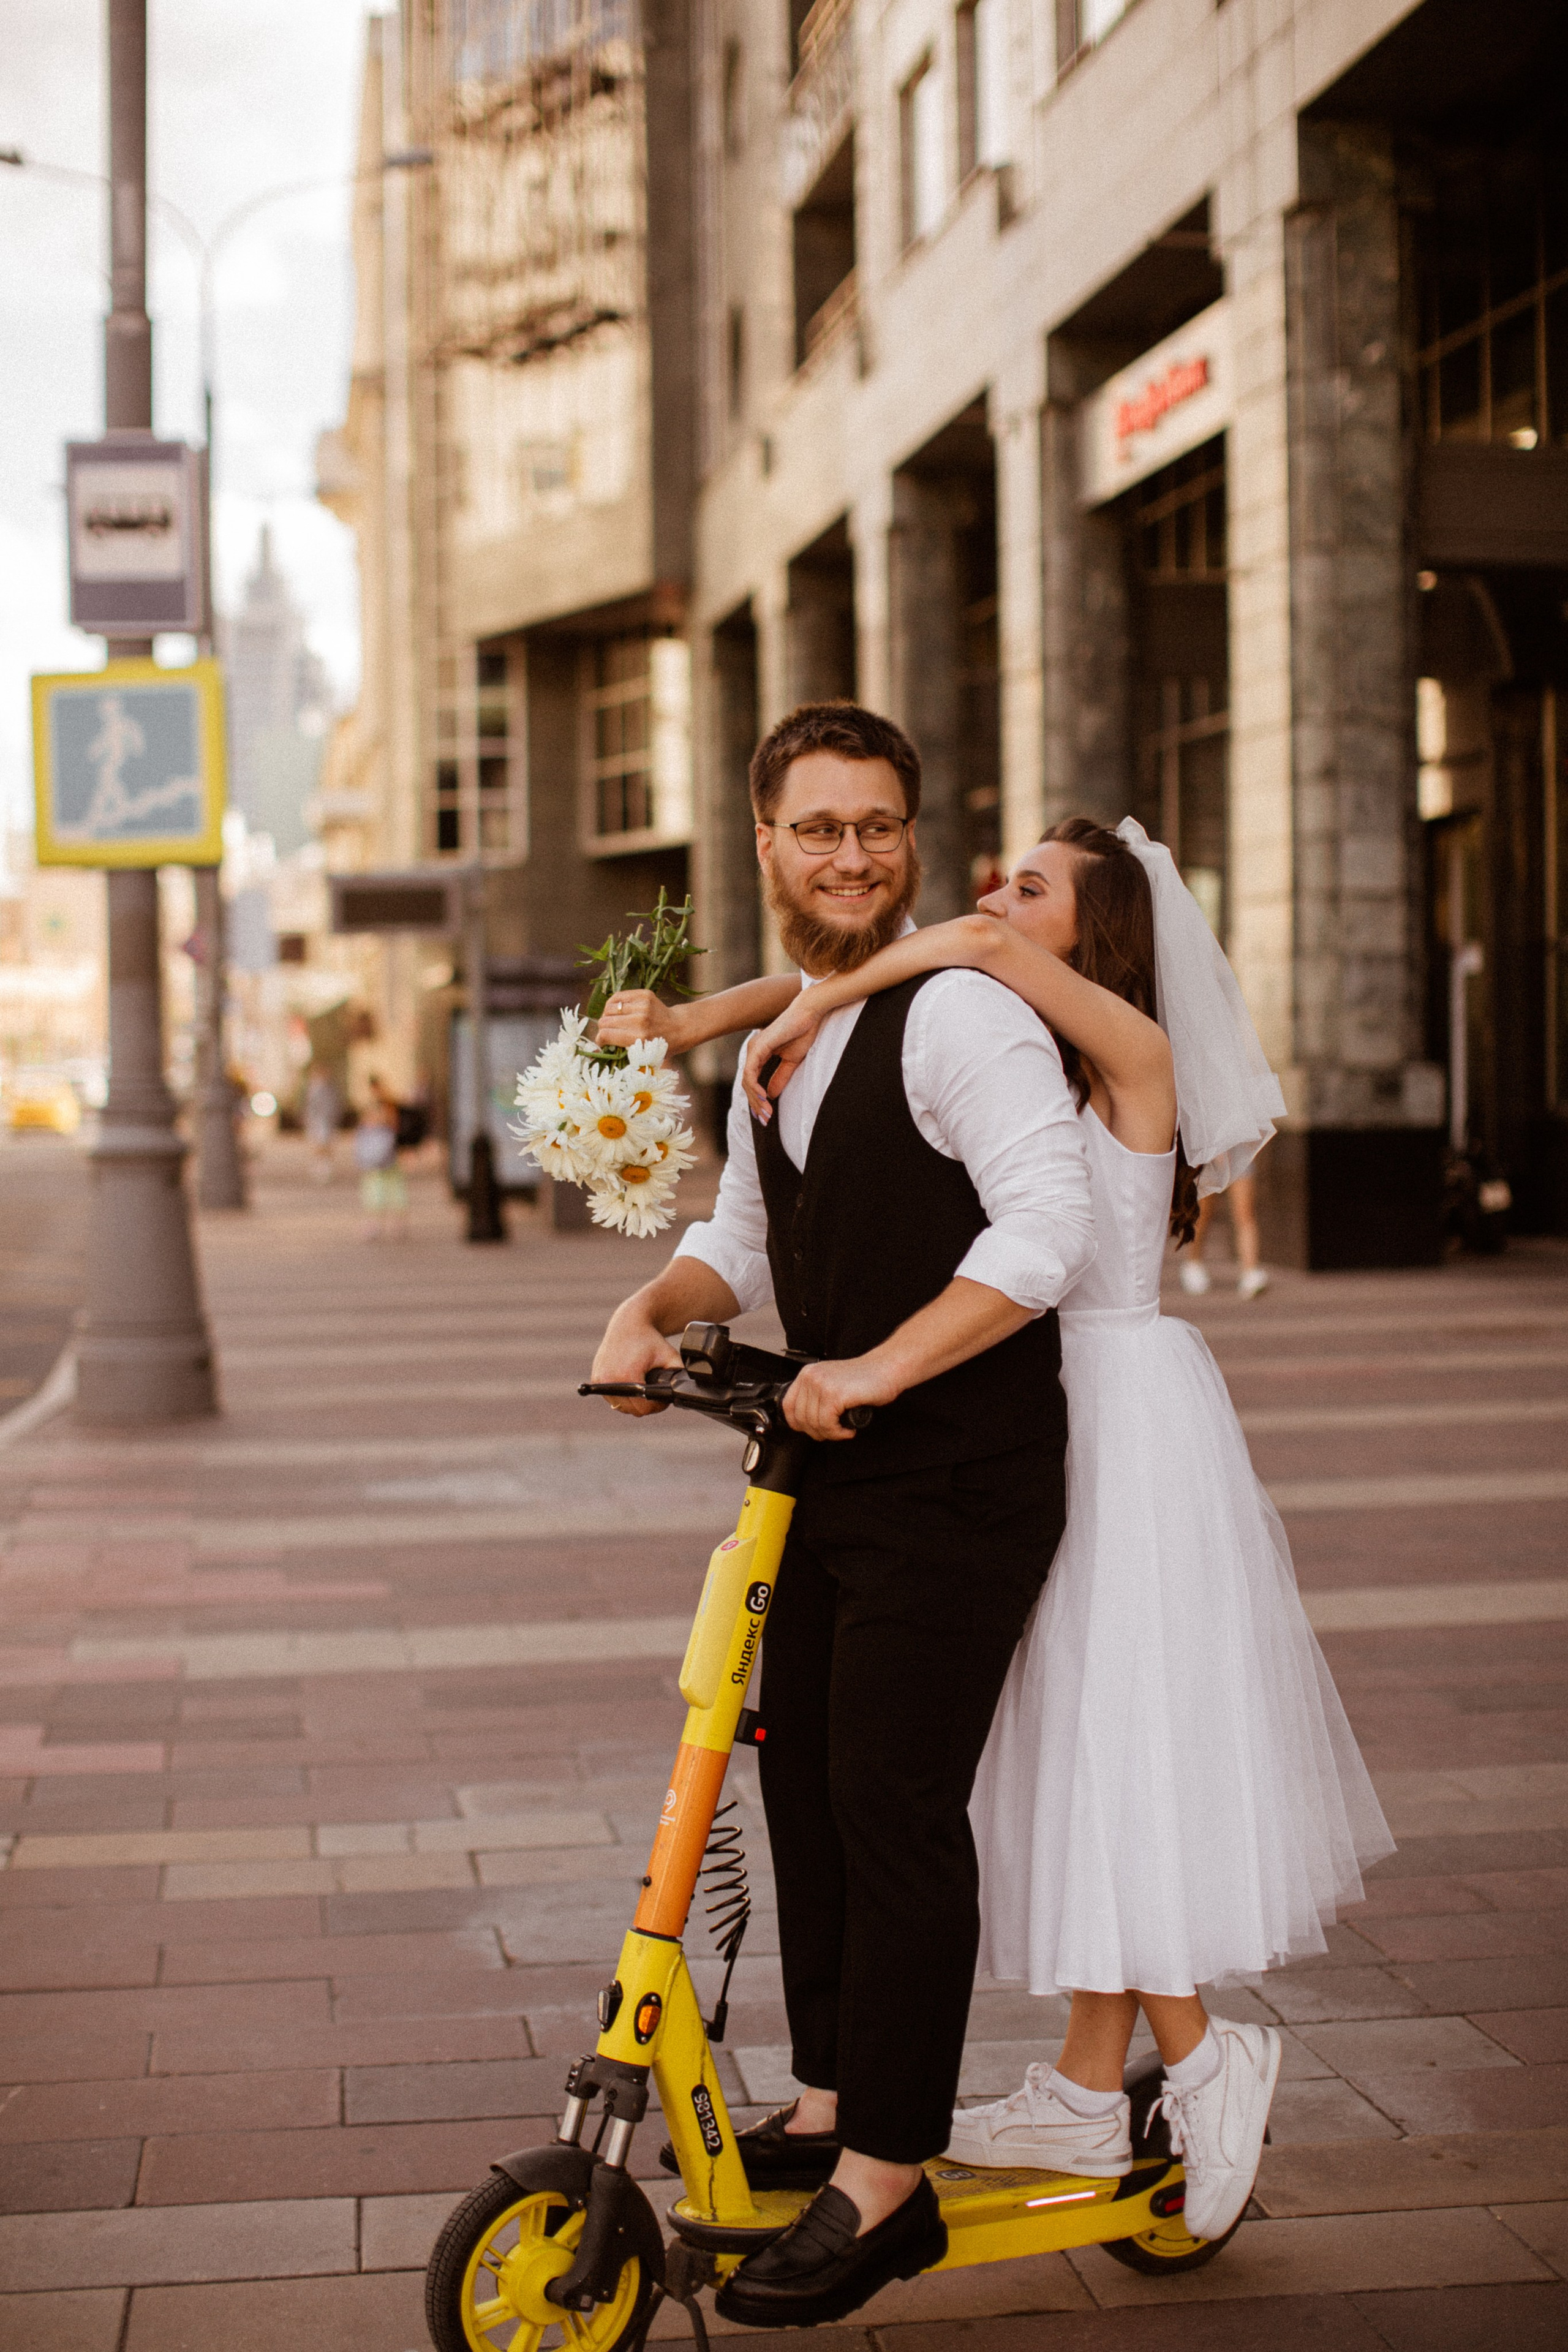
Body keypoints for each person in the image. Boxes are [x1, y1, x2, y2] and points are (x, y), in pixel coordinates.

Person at [599, 814, 1393, 2251]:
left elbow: (937, 947)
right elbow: (845, 976)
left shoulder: (1132, 1053)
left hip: (1113, 1420)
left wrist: (801, 1003)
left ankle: (1206, 2054)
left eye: (1029, 888)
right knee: (1077, 1753)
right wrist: (714, 1018)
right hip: (1022, 1401)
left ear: (1093, 933)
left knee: (1109, 1747)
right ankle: (1088, 2088)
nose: (992, 901)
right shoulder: (1023, 1043)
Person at [589, 704, 1095, 2329]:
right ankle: (826, 2100)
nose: (854, 856)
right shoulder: (786, 1037)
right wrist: (648, 1307)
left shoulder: (961, 1018)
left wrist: (878, 1365)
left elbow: (1047, 1230)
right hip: (824, 1480)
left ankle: (887, 2175)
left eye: (879, 826)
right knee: (798, 1769)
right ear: (766, 842)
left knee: (888, 1799)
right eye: (820, 828)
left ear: (912, 838)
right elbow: (745, 1236)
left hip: (959, 1477)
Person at [1180, 1167, 1268, 1298]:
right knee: (1203, 1216)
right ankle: (1193, 1264)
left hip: (1239, 1159)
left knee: (1245, 1213)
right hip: (1209, 1161)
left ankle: (1250, 1271)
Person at [354, 1076, 408, 1240]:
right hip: (378, 1152)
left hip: (385, 1151)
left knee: (388, 1188)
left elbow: (391, 1123)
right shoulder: (377, 1103)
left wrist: (375, 1121)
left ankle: (392, 1224)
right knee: (377, 1189)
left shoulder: (386, 1104)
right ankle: (378, 1224)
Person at [303, 1065, 342, 1185]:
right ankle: (321, 1166)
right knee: (319, 1144)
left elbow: (333, 1106)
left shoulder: (328, 1088)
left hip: (324, 1120)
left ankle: (324, 1167)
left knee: (324, 1144)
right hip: (317, 1121)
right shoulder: (313, 1087)